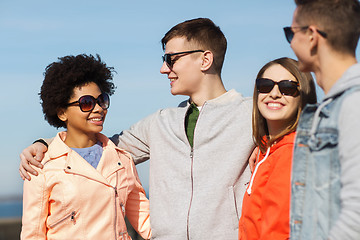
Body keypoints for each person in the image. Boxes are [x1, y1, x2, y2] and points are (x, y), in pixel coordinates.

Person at [19, 18, 254, 239]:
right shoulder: (159, 123)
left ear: (205, 60)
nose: (164, 68)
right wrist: (44, 145)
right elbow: (98, 146)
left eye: (171, 59)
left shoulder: (253, 116)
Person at [21, 54, 151, 239]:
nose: (98, 109)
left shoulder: (122, 160)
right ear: (62, 112)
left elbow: (145, 221)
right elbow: (33, 234)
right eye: (87, 103)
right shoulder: (42, 166)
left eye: (102, 100)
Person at [283, 0, 360, 239]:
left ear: (312, 36)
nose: (291, 42)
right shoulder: (330, 108)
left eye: (291, 32)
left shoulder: (353, 104)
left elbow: (356, 218)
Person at [238, 57, 317, 240]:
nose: (274, 93)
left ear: (303, 96)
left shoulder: (292, 152)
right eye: (265, 85)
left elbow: (279, 231)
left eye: (287, 87)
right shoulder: (268, 150)